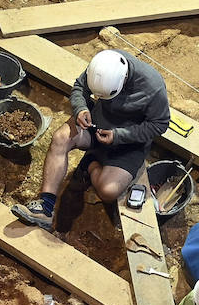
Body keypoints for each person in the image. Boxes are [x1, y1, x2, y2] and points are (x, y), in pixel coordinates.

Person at [11, 49, 170, 230]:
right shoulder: (102, 65)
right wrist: (81, 109)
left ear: (123, 80)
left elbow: (160, 124)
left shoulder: (152, 86)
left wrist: (119, 136)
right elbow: (80, 87)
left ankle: (91, 163)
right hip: (95, 126)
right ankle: (45, 208)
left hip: (129, 144)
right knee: (61, 138)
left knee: (108, 191)